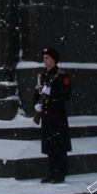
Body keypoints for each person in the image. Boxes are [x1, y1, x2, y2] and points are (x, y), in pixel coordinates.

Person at [34, 47, 72, 183]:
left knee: (59, 145)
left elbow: (67, 94)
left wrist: (52, 95)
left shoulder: (62, 75)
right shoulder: (42, 76)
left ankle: (60, 173)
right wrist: (36, 104)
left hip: (57, 114)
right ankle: (50, 172)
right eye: (44, 58)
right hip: (46, 114)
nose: (44, 60)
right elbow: (37, 93)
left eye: (47, 58)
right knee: (49, 145)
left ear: (53, 59)